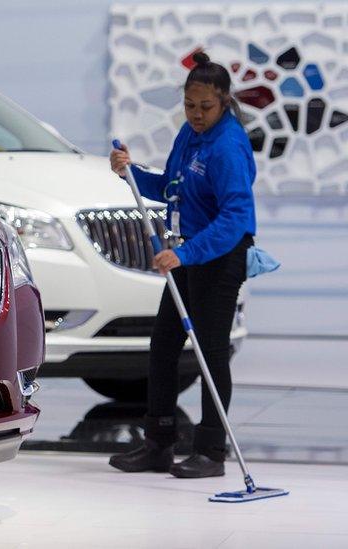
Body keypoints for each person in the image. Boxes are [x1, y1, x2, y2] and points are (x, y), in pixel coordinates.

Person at [108, 52, 256, 479]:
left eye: (205, 107)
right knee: (163, 346)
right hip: (188, 253)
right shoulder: (189, 136)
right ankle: (159, 443)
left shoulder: (227, 146)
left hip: (220, 257)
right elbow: (172, 188)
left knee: (210, 354)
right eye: (190, 106)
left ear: (224, 101)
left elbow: (235, 217)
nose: (196, 115)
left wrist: (185, 254)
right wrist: (130, 173)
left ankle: (211, 452)